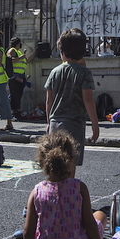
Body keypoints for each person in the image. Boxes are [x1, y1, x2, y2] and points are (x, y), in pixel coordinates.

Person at [22, 130, 117, 239]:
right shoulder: (79, 188)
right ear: (71, 161)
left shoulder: (37, 191)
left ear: (42, 162)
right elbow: (89, 224)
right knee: (100, 215)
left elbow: (28, 231)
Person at [43, 28, 100, 166]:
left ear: (62, 52)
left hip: (55, 123)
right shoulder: (84, 73)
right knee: (70, 163)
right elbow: (88, 100)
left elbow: (48, 101)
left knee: (55, 163)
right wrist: (95, 124)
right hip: (74, 123)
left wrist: (48, 122)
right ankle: (70, 187)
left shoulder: (54, 72)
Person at [7, 37, 32, 119]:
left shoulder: (18, 52)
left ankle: (15, 111)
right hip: (14, 77)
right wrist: (20, 58)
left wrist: (35, 52)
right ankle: (12, 112)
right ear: (18, 43)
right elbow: (9, 60)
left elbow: (26, 60)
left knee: (18, 95)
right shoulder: (12, 50)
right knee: (14, 95)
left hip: (21, 76)